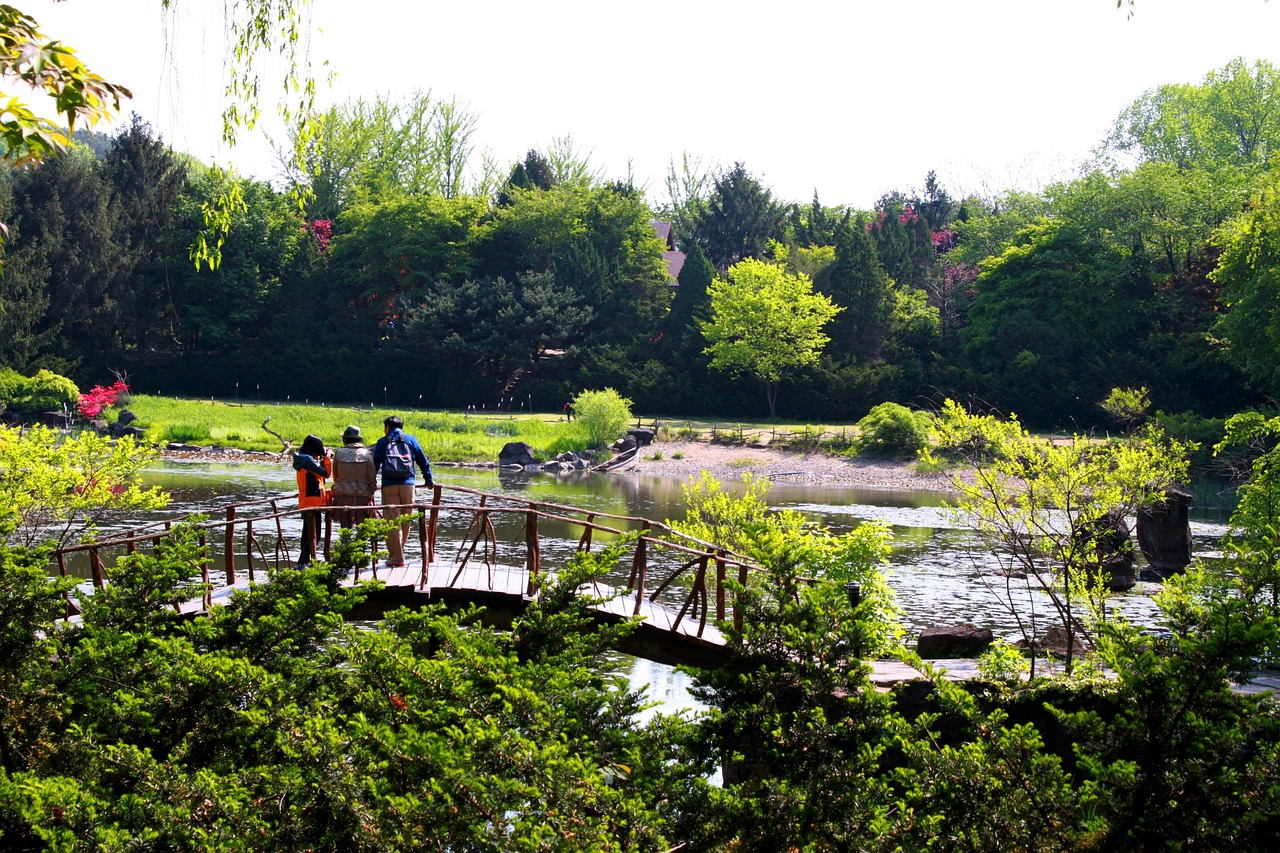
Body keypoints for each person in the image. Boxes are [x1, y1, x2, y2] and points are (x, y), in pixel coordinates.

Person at [373, 415, 434, 568]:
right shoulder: (411, 439)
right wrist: (428, 479)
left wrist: (371, 484)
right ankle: (399, 552)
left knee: (392, 522)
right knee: (406, 520)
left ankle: (396, 556)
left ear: (387, 427)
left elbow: (375, 465)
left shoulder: (383, 442)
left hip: (389, 485)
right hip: (408, 485)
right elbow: (423, 460)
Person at [292, 433, 331, 567]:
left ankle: (304, 562)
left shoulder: (303, 459)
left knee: (307, 535)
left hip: (307, 501)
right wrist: (327, 458)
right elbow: (325, 473)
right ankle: (302, 562)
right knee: (315, 535)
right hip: (312, 503)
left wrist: (321, 459)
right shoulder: (308, 461)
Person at [330, 424, 377, 529]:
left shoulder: (338, 453)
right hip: (362, 497)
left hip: (342, 496)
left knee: (345, 529)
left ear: (345, 440)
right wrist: (369, 492)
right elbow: (372, 480)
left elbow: (336, 477)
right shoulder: (367, 454)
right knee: (363, 529)